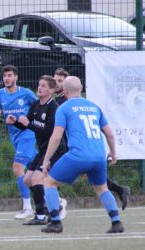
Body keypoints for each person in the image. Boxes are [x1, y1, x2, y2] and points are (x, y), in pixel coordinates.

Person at [40, 76, 123, 234]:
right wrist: (113, 153)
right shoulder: (94, 107)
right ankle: (116, 222)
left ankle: (56, 223)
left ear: (64, 91)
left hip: (78, 156)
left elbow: (56, 136)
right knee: (102, 188)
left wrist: (46, 160)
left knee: (49, 183)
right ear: (82, 88)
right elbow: (110, 134)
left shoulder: (63, 108)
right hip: (99, 156)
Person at [54, 68, 130, 209]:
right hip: (73, 145)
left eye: (60, 81)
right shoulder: (59, 101)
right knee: (90, 176)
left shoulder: (68, 104)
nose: (57, 84)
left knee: (50, 178)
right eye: (55, 80)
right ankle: (119, 193)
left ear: (67, 87)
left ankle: (55, 207)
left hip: (73, 147)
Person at [7, 75, 67, 225]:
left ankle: (41, 216)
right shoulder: (35, 105)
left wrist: (28, 124)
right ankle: (54, 205)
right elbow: (27, 124)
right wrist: (15, 123)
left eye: (44, 86)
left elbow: (48, 132)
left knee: (36, 179)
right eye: (39, 85)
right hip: (42, 150)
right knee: (27, 180)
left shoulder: (54, 108)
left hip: (54, 151)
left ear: (52, 90)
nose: (40, 88)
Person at [0, 65, 37, 220]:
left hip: (28, 135)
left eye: (9, 75)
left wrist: (30, 121)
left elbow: (40, 108)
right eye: (5, 76)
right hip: (15, 138)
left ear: (16, 77)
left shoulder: (26, 93)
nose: (6, 78)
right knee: (36, 173)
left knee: (18, 168)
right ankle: (57, 202)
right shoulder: (0, 95)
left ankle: (27, 208)